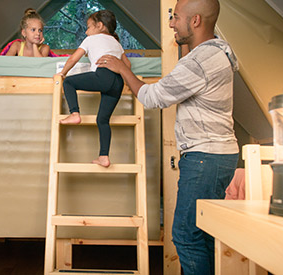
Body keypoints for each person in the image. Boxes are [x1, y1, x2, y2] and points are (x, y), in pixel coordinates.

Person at [97, 0, 239, 274]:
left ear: (195, 21)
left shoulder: (199, 62)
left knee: (186, 236)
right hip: (218, 155)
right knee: (202, 235)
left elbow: (153, 97)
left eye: (176, 17)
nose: (171, 23)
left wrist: (123, 69)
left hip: (204, 158)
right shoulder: (216, 51)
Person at [56, 10, 131, 167]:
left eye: (88, 27)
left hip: (103, 75)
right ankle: (104, 156)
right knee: (102, 120)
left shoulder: (91, 39)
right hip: (117, 82)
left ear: (100, 26)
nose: (86, 31)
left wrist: (62, 73)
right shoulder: (117, 44)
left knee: (68, 82)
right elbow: (127, 66)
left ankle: (74, 113)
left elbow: (73, 58)